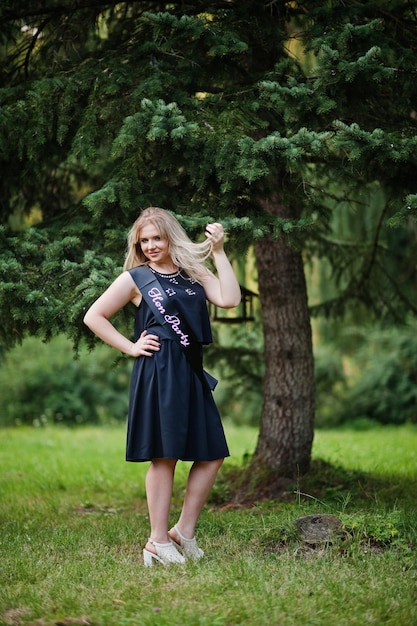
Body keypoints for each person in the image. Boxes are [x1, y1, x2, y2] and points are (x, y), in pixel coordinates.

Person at [83, 207, 241, 566]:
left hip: (190, 368)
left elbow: (230, 299)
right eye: (145, 240)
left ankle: (183, 533)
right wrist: (131, 346)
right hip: (159, 370)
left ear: (171, 236)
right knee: (164, 455)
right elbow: (94, 316)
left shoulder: (193, 273)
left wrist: (218, 252)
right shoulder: (136, 278)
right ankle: (156, 541)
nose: (151, 246)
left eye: (157, 238)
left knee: (212, 452)